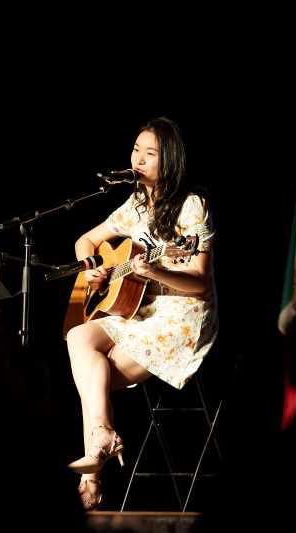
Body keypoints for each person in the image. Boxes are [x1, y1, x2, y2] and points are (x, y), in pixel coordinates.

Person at [65, 116, 218, 510]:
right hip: (142, 308)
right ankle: (102, 439)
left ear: (170, 160)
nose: (139, 158)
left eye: (150, 153)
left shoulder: (191, 205)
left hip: (182, 316)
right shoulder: (134, 204)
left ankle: (92, 477)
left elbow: (200, 282)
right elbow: (87, 240)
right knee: (78, 336)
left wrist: (156, 270)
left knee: (94, 376)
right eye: (136, 150)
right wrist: (91, 267)